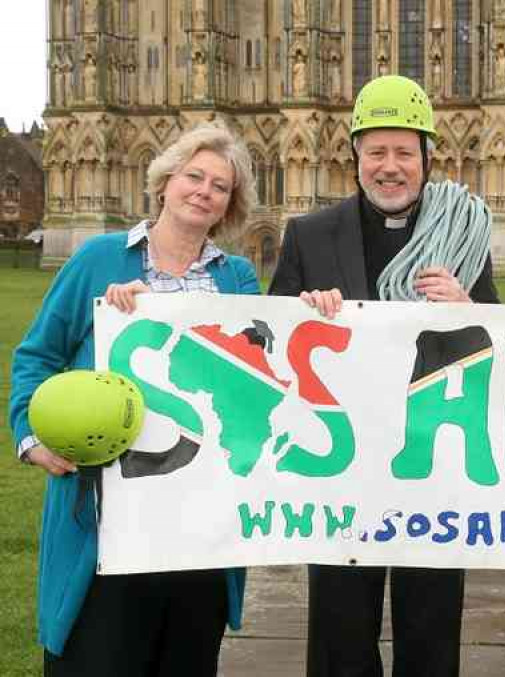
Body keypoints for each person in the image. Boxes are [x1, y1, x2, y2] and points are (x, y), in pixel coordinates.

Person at [8, 123, 268, 675]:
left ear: (229, 205)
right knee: (98, 658)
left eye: (220, 187)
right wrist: (31, 439)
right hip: (108, 521)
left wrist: (314, 315)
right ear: (165, 182)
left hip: (200, 526)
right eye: (193, 176)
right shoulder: (99, 259)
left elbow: (258, 378)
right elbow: (37, 357)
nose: (204, 191)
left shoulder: (237, 278)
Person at [269, 74, 499, 677]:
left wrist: (468, 310)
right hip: (340, 468)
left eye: (404, 152)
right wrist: (302, 318)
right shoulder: (308, 235)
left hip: (434, 465)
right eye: (376, 152)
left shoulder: (464, 233)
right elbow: (265, 346)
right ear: (355, 158)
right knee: (340, 635)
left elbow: (499, 349)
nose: (389, 167)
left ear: (427, 159)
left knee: (430, 628)